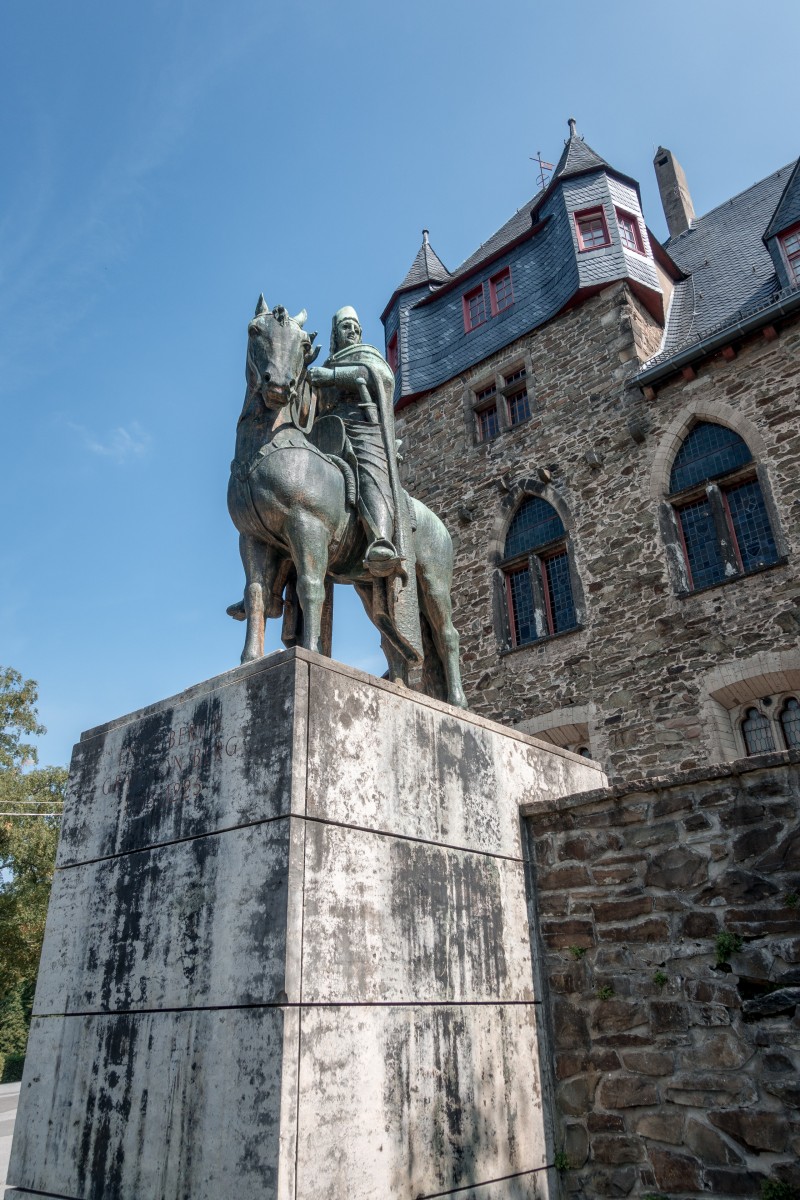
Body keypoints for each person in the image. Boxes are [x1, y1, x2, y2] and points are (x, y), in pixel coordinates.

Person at [308, 307, 403, 576]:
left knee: (368, 468)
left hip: (361, 427)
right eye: (346, 327)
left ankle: (380, 539)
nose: (353, 331)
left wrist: (333, 377)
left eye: (356, 327)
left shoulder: (366, 355)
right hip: (326, 433)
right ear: (335, 334)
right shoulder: (324, 366)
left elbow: (381, 378)